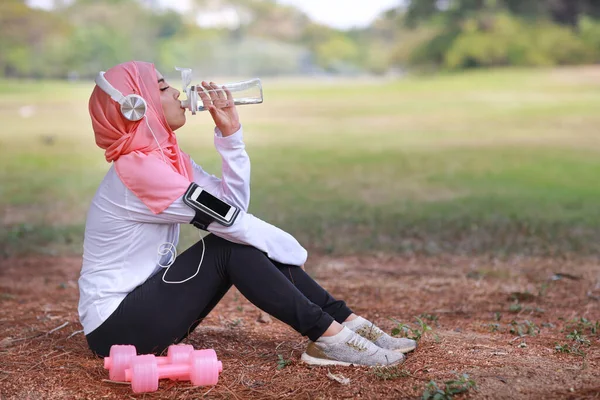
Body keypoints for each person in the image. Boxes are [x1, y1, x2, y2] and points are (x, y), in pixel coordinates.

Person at [78, 61, 416, 367]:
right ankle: (332, 339)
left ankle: (347, 325)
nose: (178, 92)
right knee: (230, 246)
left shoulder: (164, 159)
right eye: (164, 87)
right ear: (135, 107)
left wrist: (230, 137)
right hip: (117, 329)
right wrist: (288, 251)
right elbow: (231, 223)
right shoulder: (138, 171)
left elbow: (232, 206)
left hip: (145, 310)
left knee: (233, 241)